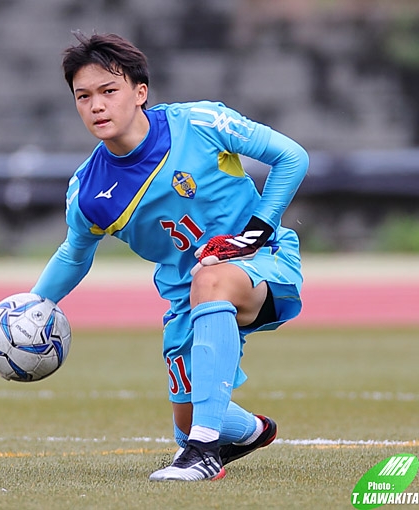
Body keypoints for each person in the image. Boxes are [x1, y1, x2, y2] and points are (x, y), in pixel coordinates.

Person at [29, 32, 309, 482]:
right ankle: (250, 432)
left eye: (108, 91)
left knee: (210, 280)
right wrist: (33, 306)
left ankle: (203, 453)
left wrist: (253, 235)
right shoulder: (89, 191)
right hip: (186, 298)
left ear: (140, 92)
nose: (97, 106)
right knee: (186, 421)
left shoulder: (199, 122)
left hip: (263, 264)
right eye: (84, 96)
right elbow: (74, 254)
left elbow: (291, 158)